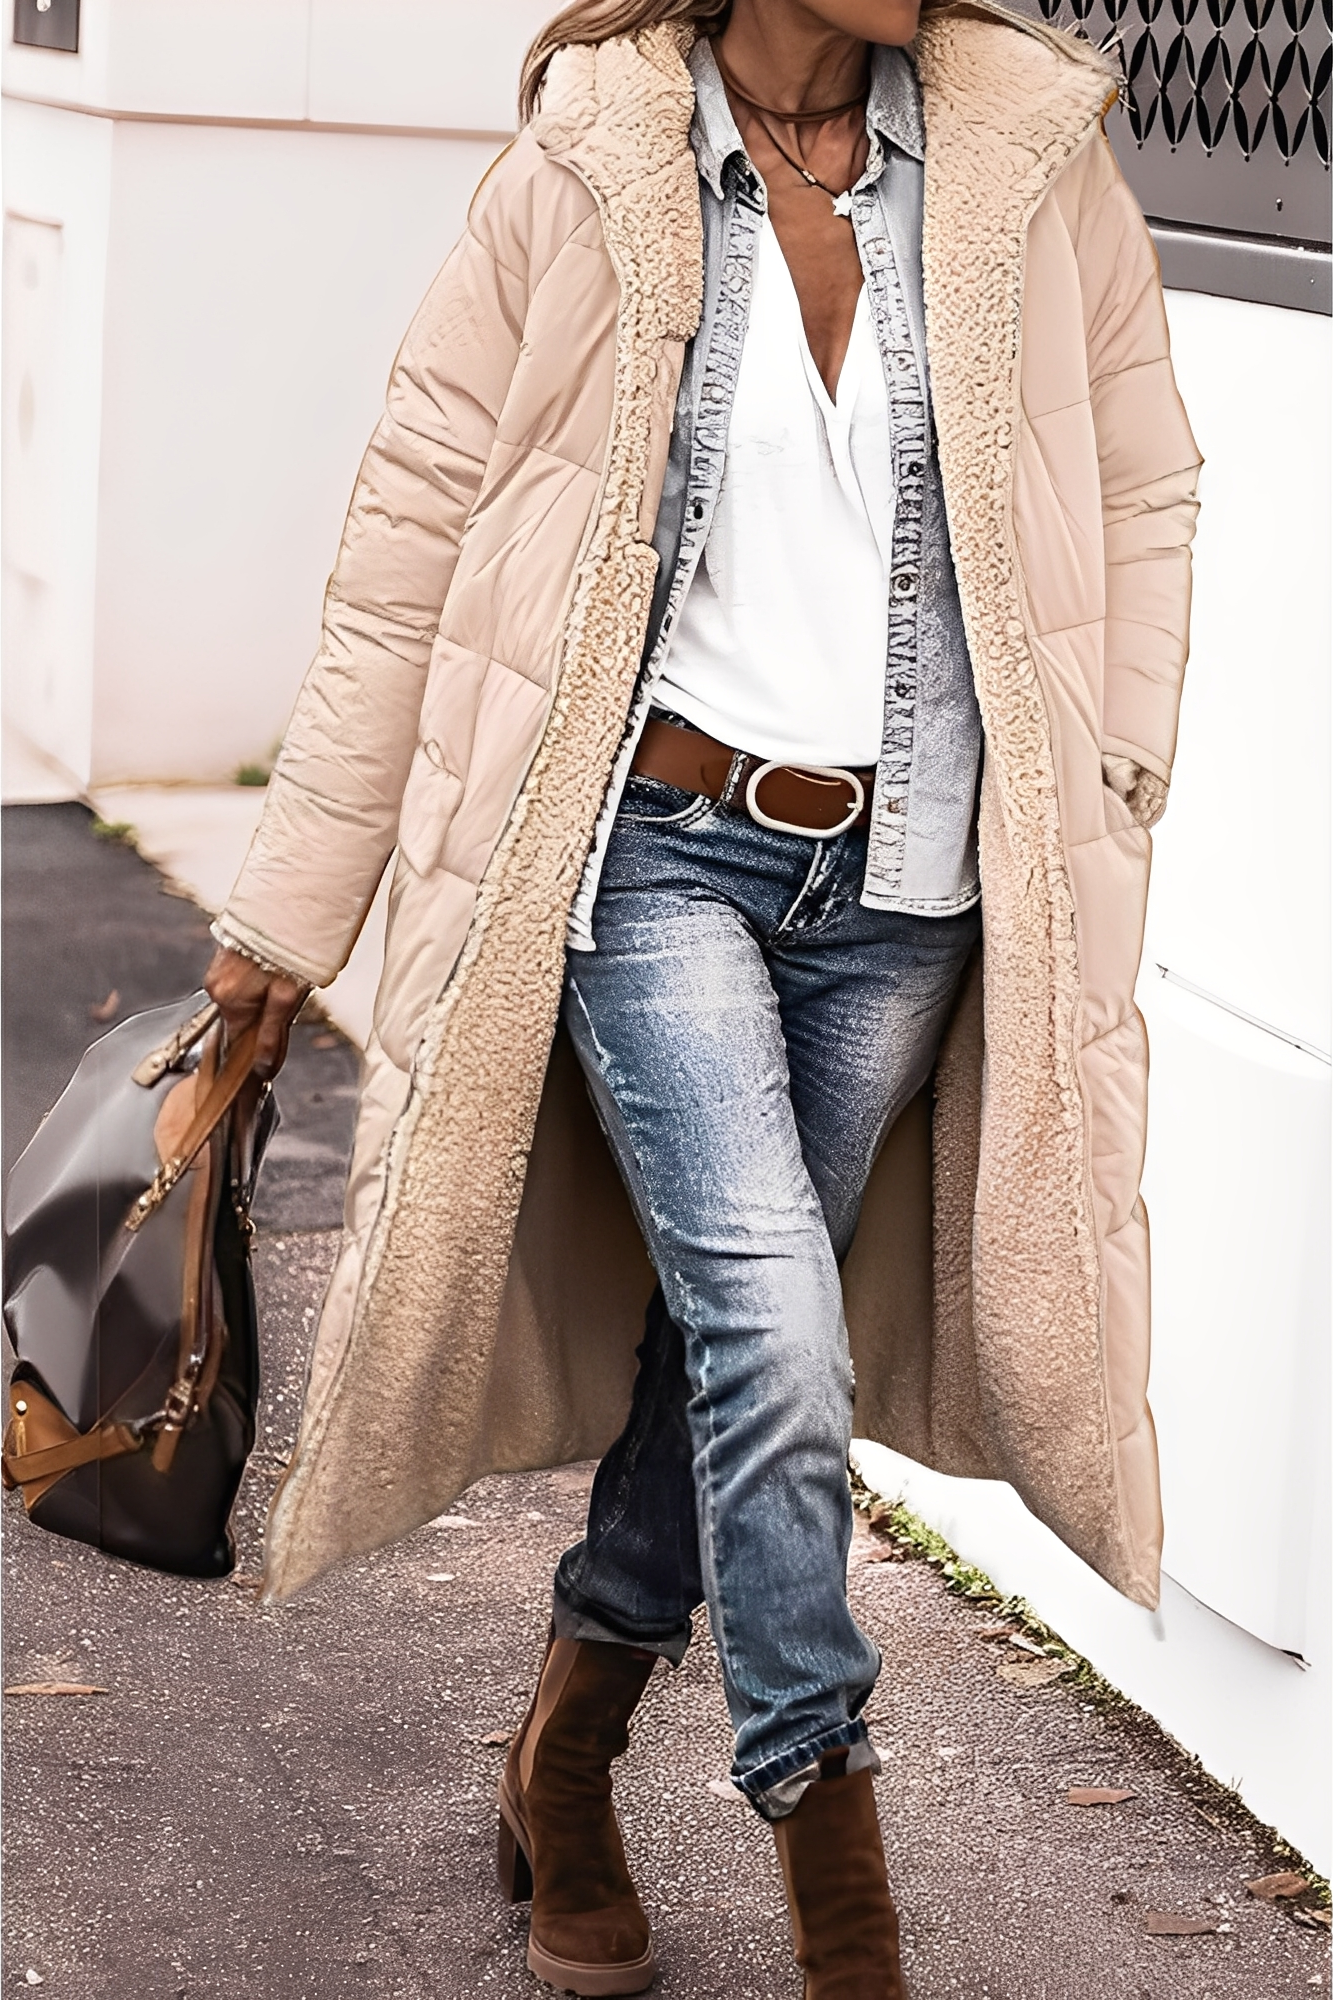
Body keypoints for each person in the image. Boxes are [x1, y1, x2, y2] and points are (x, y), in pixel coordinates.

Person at [205, 0, 1200, 1989]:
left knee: (736, 1351)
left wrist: (1111, 763)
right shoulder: (589, 162)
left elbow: (1147, 478)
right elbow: (411, 532)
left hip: (905, 880)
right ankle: (842, 1885)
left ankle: (565, 1752)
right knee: (772, 1326)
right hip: (658, 854)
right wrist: (286, 915)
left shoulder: (1029, 160)